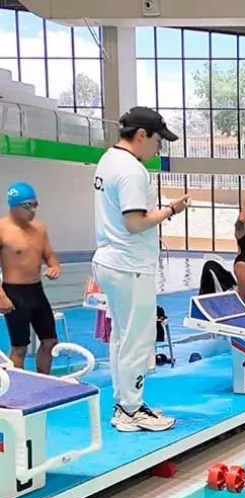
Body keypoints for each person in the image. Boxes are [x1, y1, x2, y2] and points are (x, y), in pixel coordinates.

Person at [92, 105, 187, 432]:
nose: (159, 148)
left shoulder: (108, 160)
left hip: (110, 260)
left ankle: (124, 404)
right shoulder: (132, 170)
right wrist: (171, 210)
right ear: (142, 135)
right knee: (138, 338)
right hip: (129, 264)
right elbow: (135, 223)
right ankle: (132, 409)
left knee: (121, 336)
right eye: (158, 140)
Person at [0, 182, 61, 374]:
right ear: (14, 205)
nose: (33, 210)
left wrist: (54, 266)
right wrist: (1, 296)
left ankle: (44, 381)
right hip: (13, 293)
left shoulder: (40, 229)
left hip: (36, 291)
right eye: (27, 205)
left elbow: (49, 256)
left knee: (50, 341)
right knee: (19, 347)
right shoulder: (2, 229)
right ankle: (17, 391)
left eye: (35, 205)